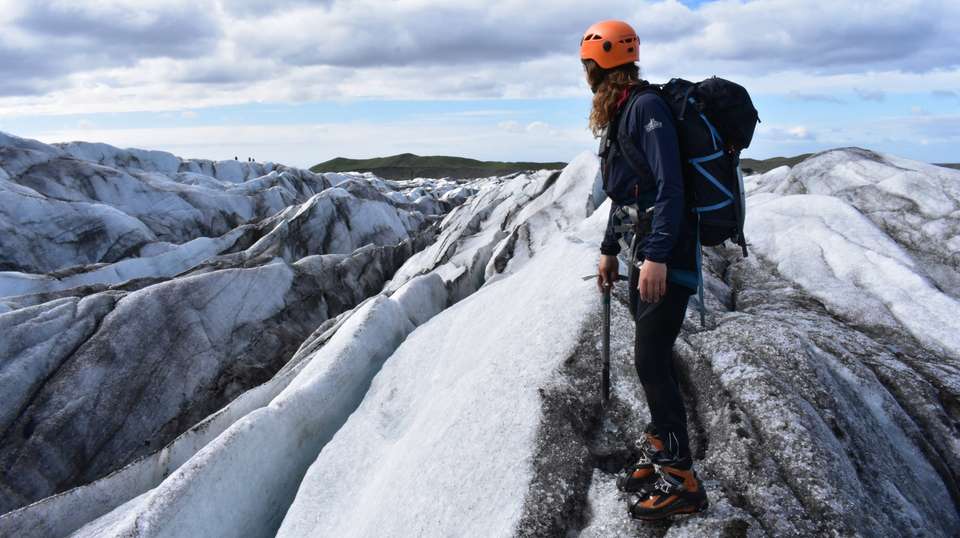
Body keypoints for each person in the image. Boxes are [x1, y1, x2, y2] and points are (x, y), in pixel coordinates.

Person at [581, 19, 708, 520]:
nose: (586, 74)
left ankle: (682, 481)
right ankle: (661, 451)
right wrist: (610, 249)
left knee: (651, 359)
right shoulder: (624, 110)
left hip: (665, 251)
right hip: (644, 247)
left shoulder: (647, 108)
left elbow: (670, 187)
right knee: (650, 357)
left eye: (588, 65)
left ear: (602, 63)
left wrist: (656, 256)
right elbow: (627, 191)